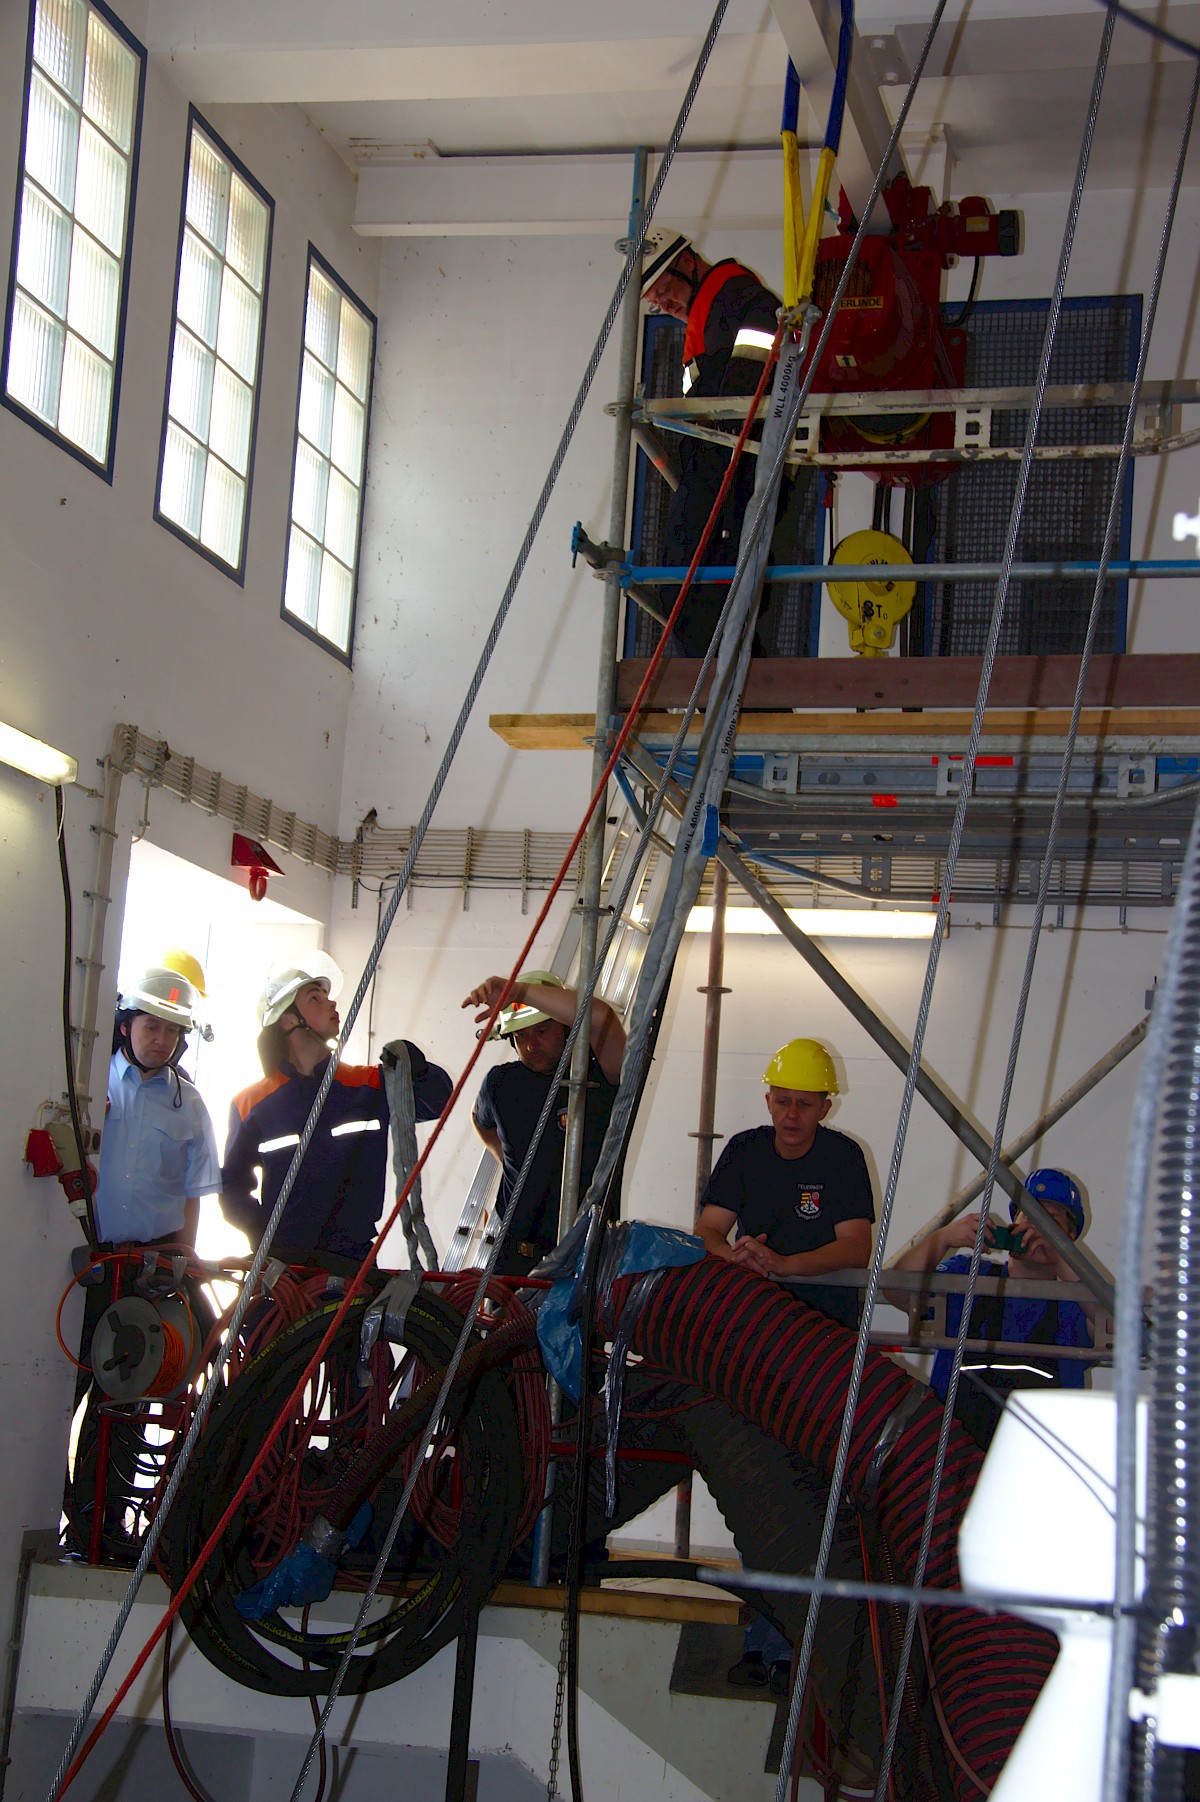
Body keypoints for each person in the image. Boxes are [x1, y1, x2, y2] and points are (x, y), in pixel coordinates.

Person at [696, 1034, 875, 1691]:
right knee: (761, 1488)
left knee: (816, 1491)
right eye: (781, 1101)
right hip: (756, 1338)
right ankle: (772, 1637)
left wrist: (786, 1266)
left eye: (804, 1104)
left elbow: (856, 1245)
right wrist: (738, 1258)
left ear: (825, 1107)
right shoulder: (745, 1150)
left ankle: (804, 1641)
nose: (791, 1114)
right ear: (767, 1100)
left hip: (821, 1344)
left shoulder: (843, 1159)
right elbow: (709, 1230)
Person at [70, 961, 221, 1554]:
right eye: (149, 1026)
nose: (159, 1039)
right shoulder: (90, 1085)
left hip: (150, 1273)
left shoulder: (190, 1106)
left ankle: (101, 1527)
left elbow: (194, 1193)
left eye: (170, 1031)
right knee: (67, 1386)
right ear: (126, 1025)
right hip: (87, 1267)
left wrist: (183, 1259)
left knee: (126, 1401)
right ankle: (57, 1507)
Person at [221, 951, 452, 1268]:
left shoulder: (368, 1084)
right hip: (283, 1264)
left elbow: (435, 1101)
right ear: (288, 1019)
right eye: (315, 998)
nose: (331, 1004)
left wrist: (419, 1069)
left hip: (352, 1260)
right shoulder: (252, 1104)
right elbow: (232, 1186)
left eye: (327, 996)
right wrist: (261, 1233)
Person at [641, 225, 798, 657]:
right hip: (725, 462)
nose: (665, 303)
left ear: (687, 262)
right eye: (655, 302)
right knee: (700, 591)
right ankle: (723, 689)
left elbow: (754, 376)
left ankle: (723, 690)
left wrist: (713, 442)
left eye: (664, 288)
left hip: (738, 463)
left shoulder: (740, 298)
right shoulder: (708, 320)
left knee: (699, 588)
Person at [888, 1167, 1095, 1450]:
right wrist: (943, 1238)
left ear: (1070, 1238)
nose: (1036, 1228)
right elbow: (896, 1291)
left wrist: (1061, 1258)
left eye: (1051, 1222)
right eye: (1030, 1216)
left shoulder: (1077, 1303)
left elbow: (1125, 1331)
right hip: (953, 1462)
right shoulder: (969, 1276)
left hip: (1038, 1463)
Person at [463, 971, 626, 1277]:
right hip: (513, 1255)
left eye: (541, 1031)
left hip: (585, 1256)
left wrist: (520, 991)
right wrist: (507, 1158)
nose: (531, 1045)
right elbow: (479, 1119)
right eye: (521, 1035)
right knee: (504, 1326)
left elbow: (602, 1017)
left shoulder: (599, 1074)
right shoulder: (502, 1083)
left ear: (566, 1028)